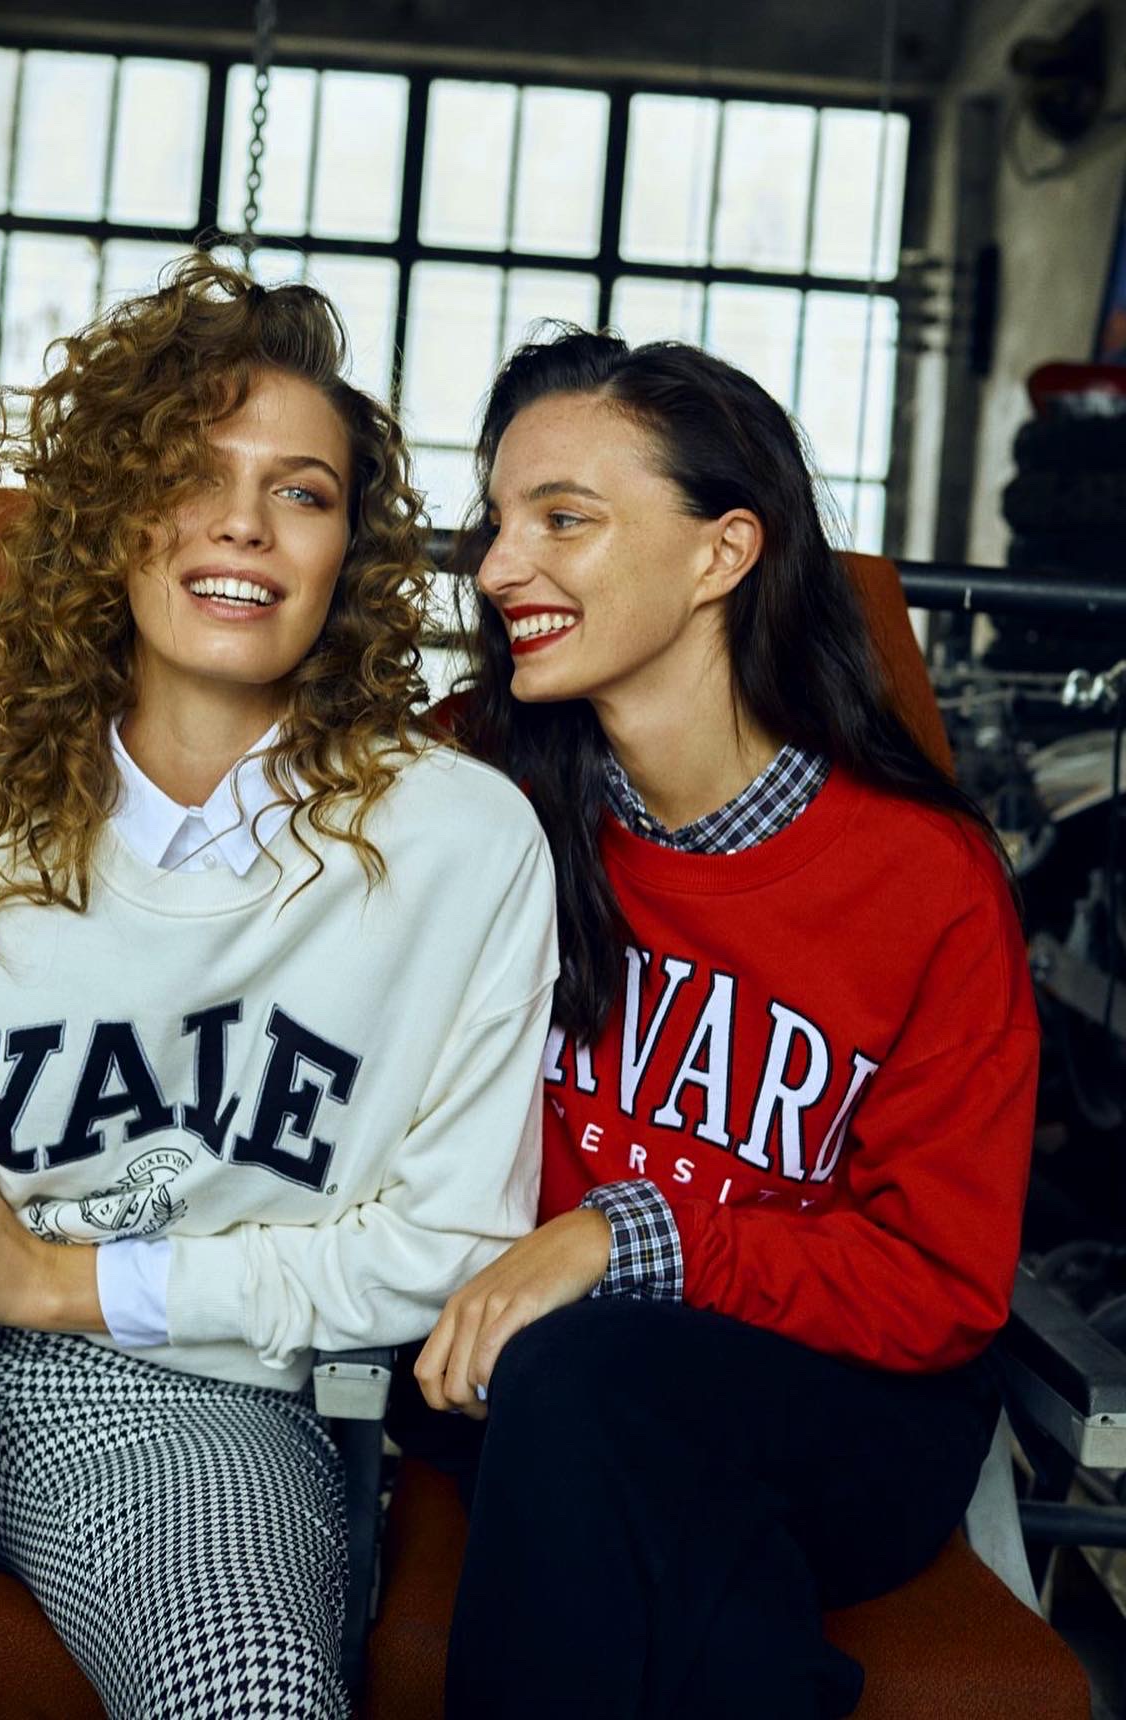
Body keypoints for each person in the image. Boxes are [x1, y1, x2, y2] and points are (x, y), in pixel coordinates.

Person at [0, 257, 556, 1720]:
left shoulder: (462, 843)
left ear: (349, 557)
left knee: (253, 1697)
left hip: (203, 1413)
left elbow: (444, 1245)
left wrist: (60, 1281)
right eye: (193, 472)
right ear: (111, 517)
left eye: (302, 492)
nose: (243, 522)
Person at [412, 332, 1037, 1719]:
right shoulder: (468, 790)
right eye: (497, 521)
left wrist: (630, 1235)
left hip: (845, 1408)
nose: (499, 566)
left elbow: (940, 1287)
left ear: (723, 552)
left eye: (562, 519)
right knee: (659, 1519)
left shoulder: (924, 879)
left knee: (586, 1381)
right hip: (516, 1375)